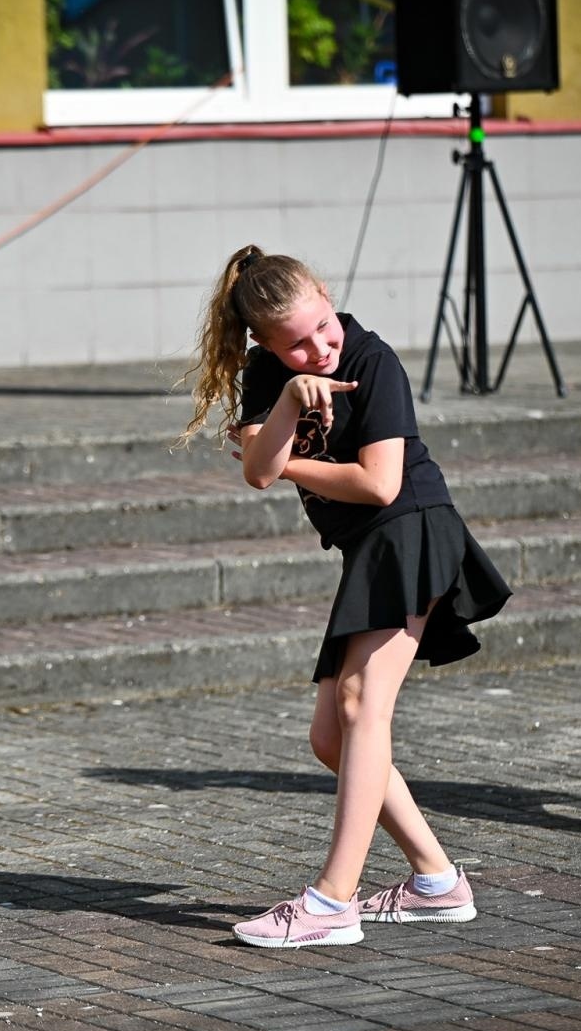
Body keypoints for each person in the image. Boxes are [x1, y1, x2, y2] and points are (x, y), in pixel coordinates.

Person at [178, 246, 511, 948]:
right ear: (264, 344)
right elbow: (257, 475)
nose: (319, 347)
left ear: (329, 297)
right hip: (370, 548)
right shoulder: (273, 374)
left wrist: (279, 447)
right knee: (331, 736)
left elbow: (380, 482)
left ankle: (332, 900)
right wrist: (290, 404)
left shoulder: (372, 358)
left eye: (322, 326)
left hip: (413, 526)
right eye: (296, 342)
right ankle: (435, 881)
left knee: (362, 703)